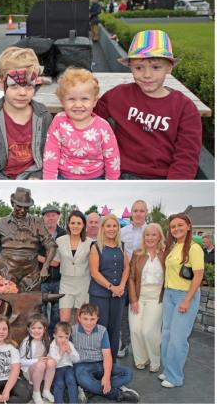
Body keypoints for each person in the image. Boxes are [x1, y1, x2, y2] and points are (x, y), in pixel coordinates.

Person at [95, 29, 201, 179]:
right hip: (119, 173)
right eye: (139, 67)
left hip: (162, 178)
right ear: (130, 67)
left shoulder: (185, 108)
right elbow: (90, 116)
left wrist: (171, 188)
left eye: (156, 67)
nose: (147, 75)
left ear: (169, 67)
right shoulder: (118, 95)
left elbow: (187, 157)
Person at [0, 47, 51, 180]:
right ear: (1, 84)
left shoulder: (44, 116)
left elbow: (51, 152)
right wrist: (0, 182)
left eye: (29, 85)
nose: (22, 92)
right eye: (14, 86)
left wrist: (38, 175)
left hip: (33, 177)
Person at [0, 187, 58, 291]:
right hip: (6, 269)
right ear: (12, 203)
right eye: (19, 206)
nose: (22, 210)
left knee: (30, 303)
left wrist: (45, 267)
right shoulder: (2, 222)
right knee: (7, 302)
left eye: (26, 207)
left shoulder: (37, 222)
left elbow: (51, 245)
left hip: (30, 271)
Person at [43, 68, 120, 179]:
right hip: (63, 177)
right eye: (71, 99)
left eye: (84, 99)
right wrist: (50, 183)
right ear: (62, 101)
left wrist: (111, 184)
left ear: (94, 101)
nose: (78, 104)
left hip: (96, 178)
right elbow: (51, 153)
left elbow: (112, 158)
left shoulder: (103, 127)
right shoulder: (59, 122)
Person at [160, 213, 204, 388]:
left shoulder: (194, 248)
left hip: (184, 296)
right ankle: (169, 369)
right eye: (173, 226)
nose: (176, 229)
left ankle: (175, 377)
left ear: (188, 226)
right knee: (167, 335)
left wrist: (187, 300)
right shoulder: (172, 247)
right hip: (169, 294)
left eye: (180, 225)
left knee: (178, 339)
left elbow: (198, 276)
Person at [71, 303, 139, 402]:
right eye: (85, 319)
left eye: (92, 319)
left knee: (128, 373)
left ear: (97, 319)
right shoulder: (72, 331)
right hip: (82, 366)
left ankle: (91, 389)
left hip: (100, 364)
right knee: (81, 377)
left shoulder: (102, 331)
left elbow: (107, 356)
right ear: (79, 318)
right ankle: (117, 394)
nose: (88, 323)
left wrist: (106, 377)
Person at [88, 214, 129, 361]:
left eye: (114, 226)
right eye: (108, 226)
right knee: (101, 329)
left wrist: (122, 286)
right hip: (100, 295)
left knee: (115, 329)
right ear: (103, 228)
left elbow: (127, 267)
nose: (111, 229)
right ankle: (98, 363)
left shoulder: (121, 246)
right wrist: (112, 287)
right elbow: (94, 272)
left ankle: (111, 364)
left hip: (119, 295)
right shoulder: (96, 246)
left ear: (118, 228)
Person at [127, 223, 165, 372]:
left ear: (159, 236)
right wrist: (133, 299)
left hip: (156, 298)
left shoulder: (165, 253)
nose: (150, 237)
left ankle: (154, 360)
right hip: (139, 296)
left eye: (153, 234)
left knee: (149, 331)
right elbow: (131, 278)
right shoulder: (137, 254)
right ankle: (141, 359)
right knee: (136, 329)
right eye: (147, 234)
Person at [118, 199, 148, 357]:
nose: (138, 214)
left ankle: (142, 346)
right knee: (123, 313)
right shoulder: (123, 231)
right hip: (125, 277)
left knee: (142, 312)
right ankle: (125, 343)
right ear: (131, 213)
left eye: (141, 211)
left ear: (146, 212)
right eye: (135, 211)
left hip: (145, 279)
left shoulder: (151, 231)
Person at [58, 210, 94, 324]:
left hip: (83, 284)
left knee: (81, 321)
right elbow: (54, 262)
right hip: (66, 283)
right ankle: (65, 342)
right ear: (68, 224)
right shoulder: (60, 241)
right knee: (64, 320)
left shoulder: (90, 242)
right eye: (73, 223)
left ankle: (79, 342)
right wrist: (34, 256)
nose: (75, 226)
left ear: (83, 225)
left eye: (79, 223)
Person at [38, 205, 67, 332]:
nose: (50, 218)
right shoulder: (37, 233)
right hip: (41, 279)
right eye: (47, 215)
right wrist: (50, 261)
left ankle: (54, 337)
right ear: (43, 217)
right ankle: (42, 337)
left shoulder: (64, 234)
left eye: (53, 215)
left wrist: (45, 260)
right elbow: (32, 254)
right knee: (41, 311)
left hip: (58, 279)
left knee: (56, 313)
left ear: (58, 216)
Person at [19, 314, 56, 404]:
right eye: (33, 328)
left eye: (39, 328)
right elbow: (20, 362)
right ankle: (36, 392)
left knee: (52, 362)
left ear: (45, 329)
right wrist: (37, 360)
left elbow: (48, 354)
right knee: (41, 364)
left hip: (42, 370)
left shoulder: (46, 339)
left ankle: (46, 390)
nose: (36, 331)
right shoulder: (26, 342)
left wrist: (50, 357)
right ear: (28, 329)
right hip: (30, 371)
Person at [49, 322, 80, 403]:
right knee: (59, 383)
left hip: (68, 367)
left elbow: (77, 359)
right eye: (60, 337)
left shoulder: (69, 344)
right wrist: (61, 352)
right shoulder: (52, 346)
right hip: (57, 368)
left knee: (71, 381)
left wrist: (70, 351)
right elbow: (53, 361)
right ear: (54, 335)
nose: (63, 340)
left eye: (66, 337)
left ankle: (74, 402)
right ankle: (59, 402)